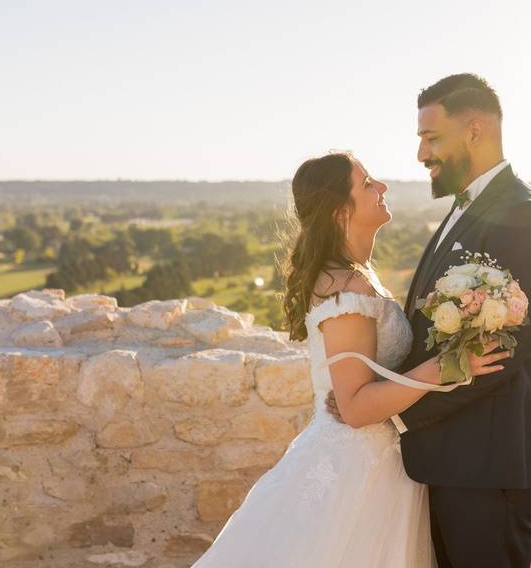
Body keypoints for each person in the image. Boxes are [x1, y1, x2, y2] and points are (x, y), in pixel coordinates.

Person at [191, 150, 510, 568]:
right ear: (342, 211)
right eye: (367, 184)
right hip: (353, 469)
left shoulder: (357, 275)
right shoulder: (345, 288)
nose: (382, 187)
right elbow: (356, 408)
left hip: (382, 463)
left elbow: (365, 380)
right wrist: (447, 367)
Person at [327, 73, 531, 568]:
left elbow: (494, 358)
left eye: (430, 137)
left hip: (488, 463)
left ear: (474, 130)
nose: (420, 154)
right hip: (453, 458)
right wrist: (375, 386)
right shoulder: (469, 206)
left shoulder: (526, 217)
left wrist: (388, 410)